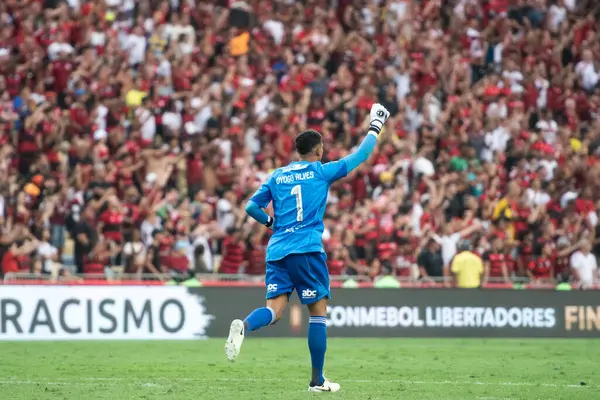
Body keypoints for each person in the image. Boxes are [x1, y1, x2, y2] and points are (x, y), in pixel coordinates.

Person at [224, 103, 391, 392]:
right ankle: (317, 380)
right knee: (317, 312)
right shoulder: (321, 172)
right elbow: (362, 155)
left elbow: (251, 206)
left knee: (274, 310)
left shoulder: (278, 176)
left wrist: (270, 222)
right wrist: (376, 124)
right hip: (307, 249)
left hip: (277, 251)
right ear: (318, 151)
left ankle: (245, 326)